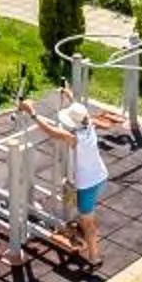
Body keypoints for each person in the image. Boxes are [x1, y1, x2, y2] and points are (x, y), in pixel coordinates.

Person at [20, 94, 108, 266]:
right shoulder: (89, 124)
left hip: (87, 185)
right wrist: (68, 94)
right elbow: (78, 107)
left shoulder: (75, 138)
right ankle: (76, 225)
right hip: (101, 177)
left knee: (87, 221)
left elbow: (51, 132)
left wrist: (32, 113)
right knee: (68, 189)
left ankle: (93, 256)